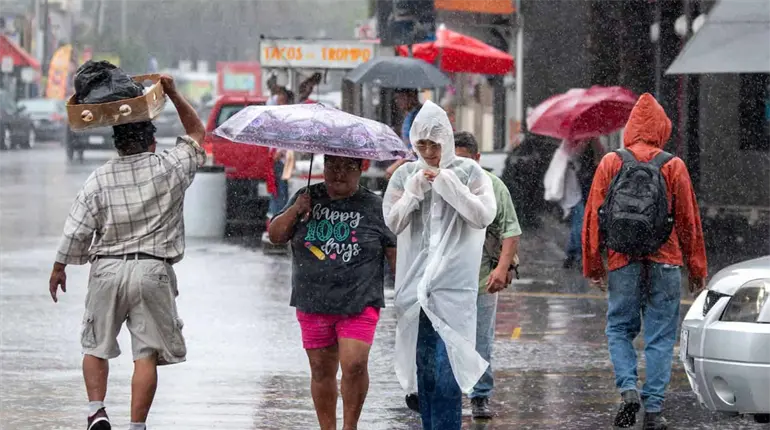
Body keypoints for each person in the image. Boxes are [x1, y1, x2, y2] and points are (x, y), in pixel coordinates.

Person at [48, 75, 206, 430]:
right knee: (146, 353)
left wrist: (59, 267)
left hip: (106, 270)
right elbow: (197, 134)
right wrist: (175, 94)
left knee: (95, 345)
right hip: (153, 270)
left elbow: (77, 229)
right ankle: (136, 426)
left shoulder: (99, 179)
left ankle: (96, 411)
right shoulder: (170, 167)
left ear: (117, 144)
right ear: (151, 142)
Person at [582, 93, 707, 430]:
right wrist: (697, 270)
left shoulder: (611, 162)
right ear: (662, 128)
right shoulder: (673, 165)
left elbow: (593, 216)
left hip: (623, 260)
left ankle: (627, 389)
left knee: (619, 329)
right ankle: (653, 409)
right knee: (661, 336)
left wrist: (593, 266)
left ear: (630, 128)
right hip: (665, 261)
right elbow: (688, 222)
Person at [383, 101, 497, 430]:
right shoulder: (406, 174)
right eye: (422, 144)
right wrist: (414, 192)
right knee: (426, 372)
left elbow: (483, 215)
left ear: (447, 140)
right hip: (414, 288)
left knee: (450, 372)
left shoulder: (470, 173)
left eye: (436, 144)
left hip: (453, 288)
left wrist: (448, 185)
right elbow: (393, 222)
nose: (430, 152)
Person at [268, 155, 397, 430]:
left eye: (348, 168)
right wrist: (295, 210)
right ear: (323, 166)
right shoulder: (306, 197)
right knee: (321, 370)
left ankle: (350, 426)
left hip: (360, 299)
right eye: (332, 167)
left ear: (361, 169)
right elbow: (276, 235)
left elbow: (393, 250)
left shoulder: (376, 206)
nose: (338, 174)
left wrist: (407, 290)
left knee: (354, 364)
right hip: (312, 298)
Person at [454, 131, 522, 419]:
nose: (462, 169)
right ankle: (447, 391)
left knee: (481, 340)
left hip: (483, 279)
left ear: (478, 159)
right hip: (449, 280)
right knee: (450, 339)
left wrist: (502, 268)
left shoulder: (495, 187)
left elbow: (511, 231)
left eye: (467, 161)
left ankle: (480, 396)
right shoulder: (444, 185)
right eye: (456, 162)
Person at [563, 138, 604, 269]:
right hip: (580, 189)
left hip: (587, 187)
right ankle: (577, 254)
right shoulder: (574, 143)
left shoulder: (592, 143)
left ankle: (574, 253)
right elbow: (572, 158)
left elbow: (601, 158)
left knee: (581, 221)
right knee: (580, 221)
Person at [385, 88, 422, 180]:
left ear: (412, 97)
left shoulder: (418, 115)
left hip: (417, 168)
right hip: (409, 166)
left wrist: (397, 164)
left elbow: (419, 145)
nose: (398, 101)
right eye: (396, 98)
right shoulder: (409, 115)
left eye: (401, 97)